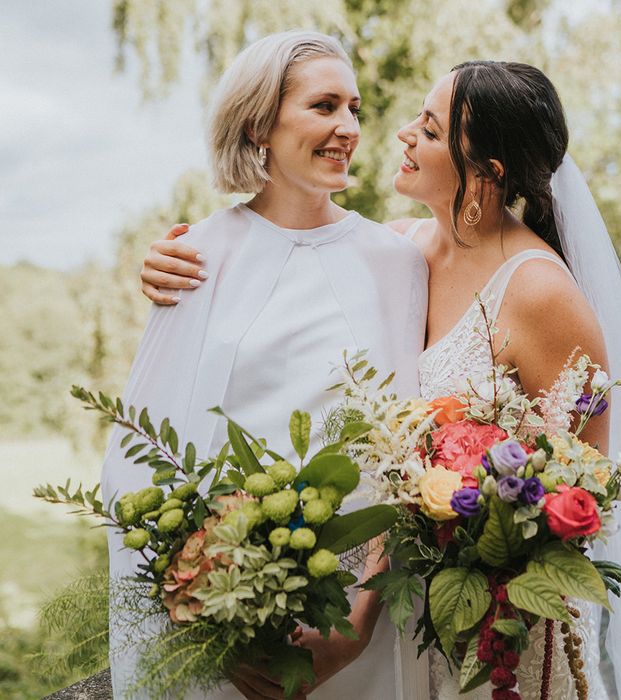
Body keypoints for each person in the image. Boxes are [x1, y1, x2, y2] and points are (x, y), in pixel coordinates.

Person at [138, 60, 621, 698]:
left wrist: (477, 543)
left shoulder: (541, 293)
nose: (401, 133)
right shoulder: (403, 250)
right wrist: (173, 262)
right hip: (412, 630)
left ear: (488, 172)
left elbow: (585, 490)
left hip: (505, 638)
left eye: (428, 130)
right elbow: (293, 264)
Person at [101, 30, 428, 700]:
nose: (348, 128)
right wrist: (206, 618)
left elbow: (411, 454)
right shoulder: (195, 255)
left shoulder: (396, 261)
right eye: (325, 106)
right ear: (258, 125)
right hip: (234, 618)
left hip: (363, 613)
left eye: (354, 109)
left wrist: (357, 626)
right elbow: (140, 456)